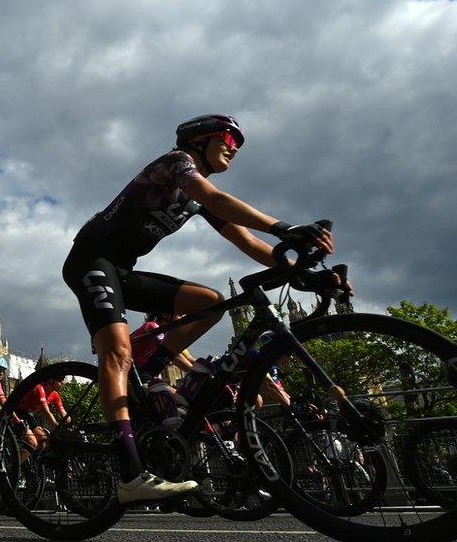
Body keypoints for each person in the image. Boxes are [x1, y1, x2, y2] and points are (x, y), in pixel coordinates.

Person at [62, 114, 336, 504]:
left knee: (210, 303)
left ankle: (148, 372)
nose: (233, 147)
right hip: (91, 259)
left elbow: (247, 243)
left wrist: (302, 270)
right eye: (228, 137)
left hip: (122, 269)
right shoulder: (176, 163)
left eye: (239, 145)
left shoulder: (197, 196)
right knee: (117, 352)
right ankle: (129, 474)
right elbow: (216, 198)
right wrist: (284, 227)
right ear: (199, 140)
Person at [14, 375, 68, 452]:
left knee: (43, 440)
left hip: (27, 414)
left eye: (63, 380)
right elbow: (47, 412)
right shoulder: (39, 388)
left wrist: (69, 424)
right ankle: (17, 463)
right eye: (59, 379)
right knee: (32, 443)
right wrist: (58, 429)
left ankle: (32, 461)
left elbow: (64, 414)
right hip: (16, 411)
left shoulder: (55, 395)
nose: (62, 382)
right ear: (51, 380)